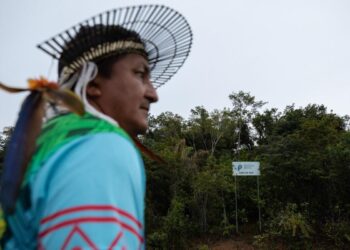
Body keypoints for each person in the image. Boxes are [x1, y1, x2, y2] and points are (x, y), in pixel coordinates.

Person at [0, 5, 192, 249]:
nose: (153, 94)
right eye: (140, 74)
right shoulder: (100, 144)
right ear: (93, 83)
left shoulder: (51, 143)